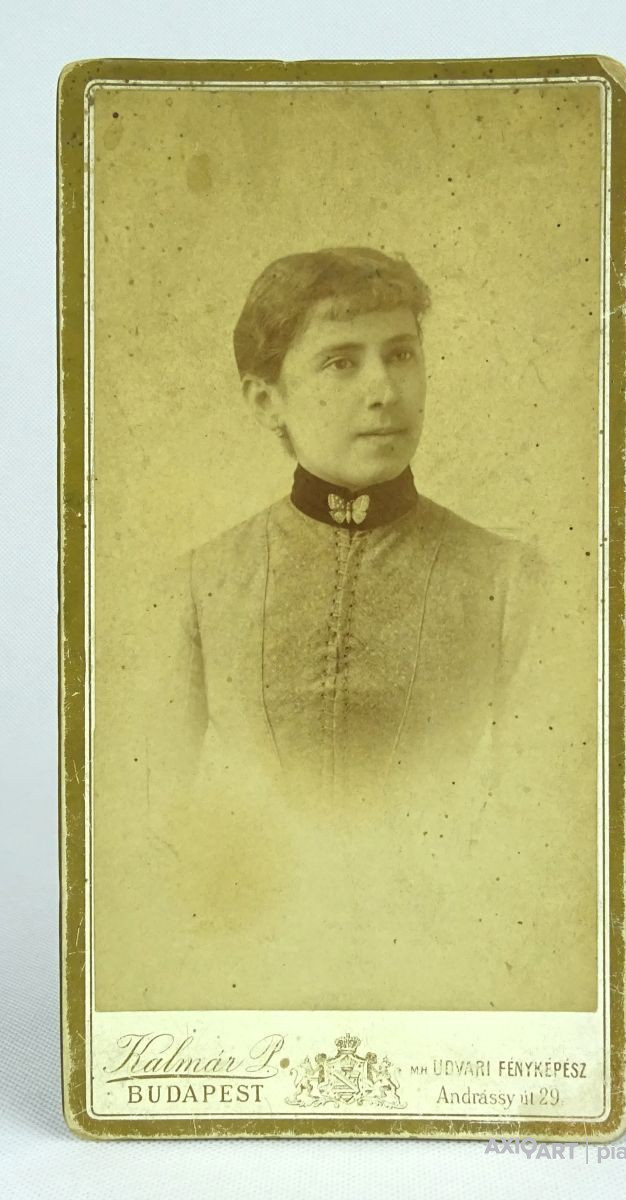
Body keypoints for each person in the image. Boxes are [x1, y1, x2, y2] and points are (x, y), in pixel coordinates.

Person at [145, 246, 545, 1010]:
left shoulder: (510, 581)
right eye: (340, 362)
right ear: (266, 400)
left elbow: (538, 819)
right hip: (249, 965)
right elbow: (157, 815)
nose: (383, 390)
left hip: (445, 962)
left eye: (401, 355)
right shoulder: (199, 585)